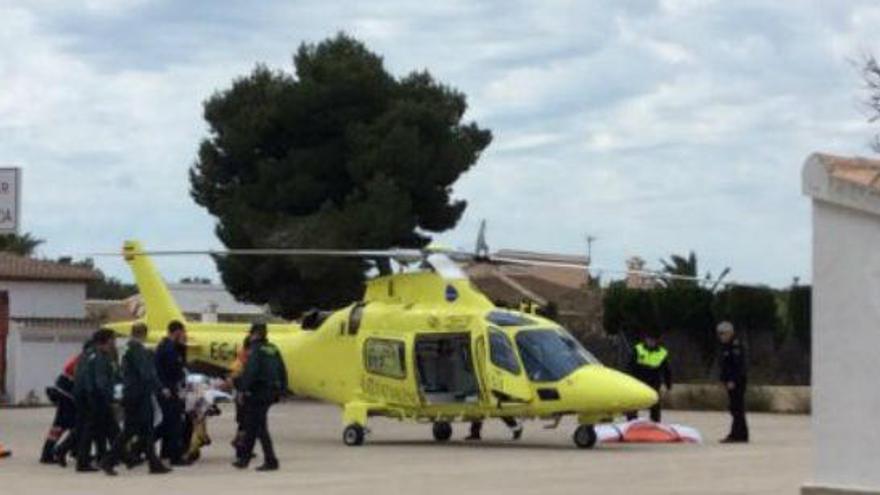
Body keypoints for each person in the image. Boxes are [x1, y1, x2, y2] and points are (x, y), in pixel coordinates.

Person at [102, 323, 170, 476]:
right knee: (131, 430)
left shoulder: (126, 348)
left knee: (146, 430)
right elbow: (147, 373)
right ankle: (109, 460)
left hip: (131, 393)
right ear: (144, 334)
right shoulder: (138, 350)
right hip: (139, 395)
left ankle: (154, 462)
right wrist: (160, 388)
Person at [233, 323, 287, 471]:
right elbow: (282, 370)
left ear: (256, 334)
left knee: (260, 428)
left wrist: (242, 389)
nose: (250, 336)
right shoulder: (273, 348)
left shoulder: (255, 350)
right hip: (271, 392)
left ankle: (271, 460)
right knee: (252, 425)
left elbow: (251, 371)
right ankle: (244, 459)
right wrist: (282, 390)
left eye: (251, 334)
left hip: (258, 392)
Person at [73, 329, 118, 473]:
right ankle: (84, 461)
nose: (114, 342)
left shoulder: (88, 353)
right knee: (92, 429)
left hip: (87, 396)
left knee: (100, 428)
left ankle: (105, 457)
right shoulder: (99, 356)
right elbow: (100, 381)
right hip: (95, 397)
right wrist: (108, 397)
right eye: (113, 339)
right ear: (107, 340)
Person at [40, 340, 89, 465]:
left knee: (63, 425)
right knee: (71, 425)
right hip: (67, 395)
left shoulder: (80, 358)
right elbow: (79, 381)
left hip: (63, 393)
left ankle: (55, 451)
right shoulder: (83, 360)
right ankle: (53, 452)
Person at [155, 320, 189, 466]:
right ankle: (175, 457)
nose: (184, 335)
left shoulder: (168, 346)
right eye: (182, 332)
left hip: (168, 388)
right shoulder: (168, 349)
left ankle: (165, 452)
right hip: (169, 389)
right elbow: (176, 368)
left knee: (168, 423)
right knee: (174, 423)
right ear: (177, 332)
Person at [626, 334, 672, 422]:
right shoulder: (638, 349)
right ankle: (631, 423)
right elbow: (629, 367)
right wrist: (629, 380)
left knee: (655, 405)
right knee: (633, 404)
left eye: (653, 340)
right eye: (649, 339)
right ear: (645, 339)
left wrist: (668, 385)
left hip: (654, 383)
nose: (651, 342)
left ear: (657, 341)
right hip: (638, 382)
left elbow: (667, 370)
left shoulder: (662, 353)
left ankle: (655, 424)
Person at [718, 321, 749, 443]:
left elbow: (737, 366)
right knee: (735, 408)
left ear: (730, 333)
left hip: (737, 381)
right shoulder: (727, 346)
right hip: (731, 381)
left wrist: (732, 380)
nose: (721, 336)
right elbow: (724, 366)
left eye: (723, 334)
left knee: (737, 408)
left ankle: (738, 435)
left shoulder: (735, 346)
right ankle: (740, 433)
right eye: (719, 334)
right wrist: (723, 380)